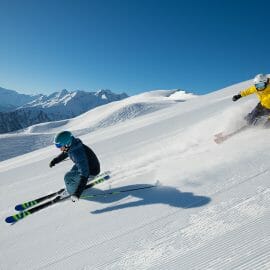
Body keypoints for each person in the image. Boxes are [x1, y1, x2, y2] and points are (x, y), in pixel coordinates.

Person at [49, 131, 100, 202]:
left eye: (59, 146)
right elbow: (65, 153)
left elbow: (84, 173)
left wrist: (77, 193)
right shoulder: (73, 145)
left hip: (92, 171)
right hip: (89, 165)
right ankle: (73, 186)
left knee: (68, 177)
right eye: (57, 146)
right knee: (72, 173)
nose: (59, 148)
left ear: (66, 143)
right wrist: (55, 160)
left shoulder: (77, 153)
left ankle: (70, 192)